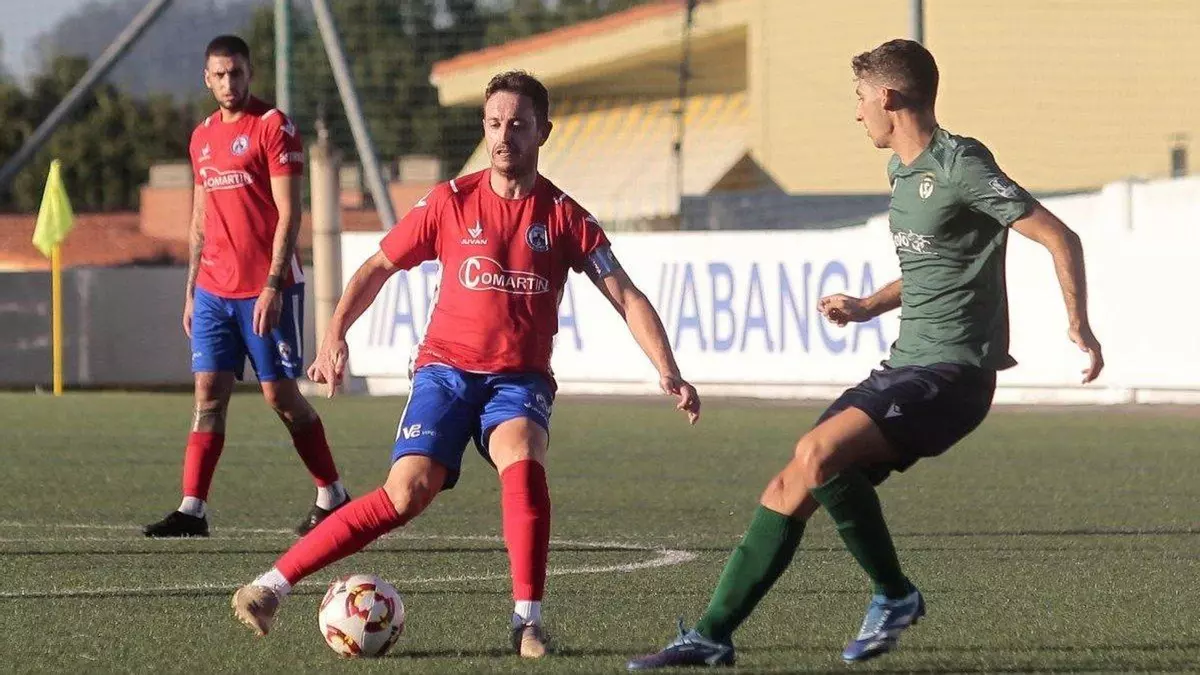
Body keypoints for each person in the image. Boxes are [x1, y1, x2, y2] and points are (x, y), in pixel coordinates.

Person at [627, 38, 1104, 670]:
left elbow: (1059, 235)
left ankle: (895, 594)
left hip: (954, 374)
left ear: (888, 96)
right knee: (790, 484)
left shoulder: (961, 163)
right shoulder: (901, 173)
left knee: (818, 453)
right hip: (905, 366)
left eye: (859, 98)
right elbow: (934, 267)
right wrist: (866, 307)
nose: (856, 113)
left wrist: (1079, 324)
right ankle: (712, 635)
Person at [230, 70, 702, 658]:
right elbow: (377, 267)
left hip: (519, 379)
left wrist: (668, 369)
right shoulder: (449, 201)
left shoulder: (565, 216)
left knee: (522, 456)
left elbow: (625, 294)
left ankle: (527, 622)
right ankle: (270, 588)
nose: (505, 136)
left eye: (519, 125)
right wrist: (333, 335)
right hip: (445, 372)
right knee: (406, 493)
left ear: (543, 132)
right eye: (495, 123)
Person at [143, 35, 349, 539]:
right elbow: (200, 217)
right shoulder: (201, 137)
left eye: (236, 72)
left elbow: (290, 213)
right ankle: (193, 509)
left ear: (249, 73)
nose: (229, 82)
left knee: (280, 396)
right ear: (206, 79)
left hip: (266, 288)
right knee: (207, 394)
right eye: (219, 74)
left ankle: (333, 494)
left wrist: (273, 285)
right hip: (214, 290)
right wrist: (191, 289)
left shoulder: (274, 126)